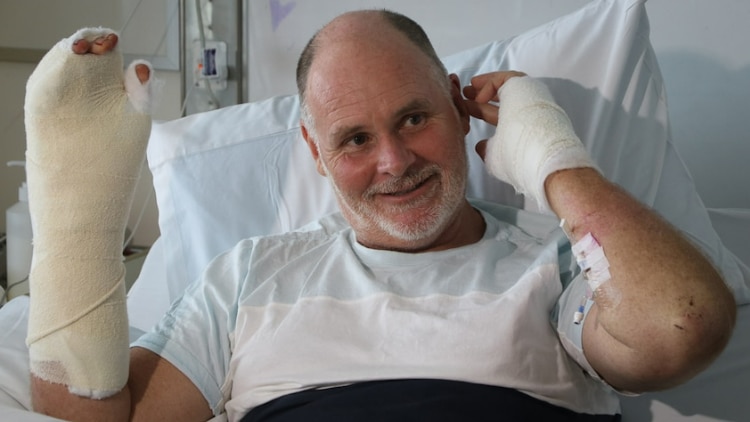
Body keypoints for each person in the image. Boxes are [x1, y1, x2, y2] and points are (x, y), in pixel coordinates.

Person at [24, 9, 736, 422]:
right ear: (314, 149)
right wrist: (76, 223)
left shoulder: (559, 261)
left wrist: (551, 155)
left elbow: (684, 324)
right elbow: (95, 417)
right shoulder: (250, 277)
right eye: (356, 139)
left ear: (461, 111)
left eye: (416, 118)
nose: (394, 161)